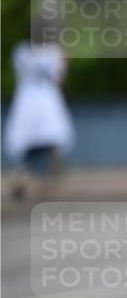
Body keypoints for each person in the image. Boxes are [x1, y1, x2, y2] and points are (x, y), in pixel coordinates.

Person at [4, 37, 74, 200]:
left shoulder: (20, 50)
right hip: (47, 101)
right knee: (55, 142)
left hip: (25, 101)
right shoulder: (53, 51)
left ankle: (24, 176)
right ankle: (47, 181)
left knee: (28, 146)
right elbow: (59, 78)